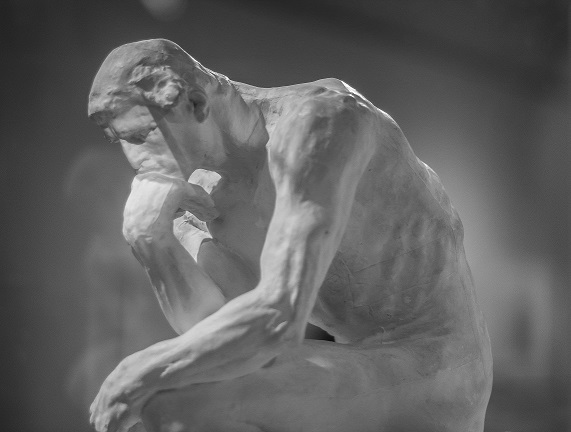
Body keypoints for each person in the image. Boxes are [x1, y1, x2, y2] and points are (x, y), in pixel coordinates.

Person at [87, 39, 492, 432]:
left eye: (141, 136)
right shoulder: (203, 191)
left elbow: (276, 320)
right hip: (357, 355)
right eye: (121, 141)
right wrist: (150, 238)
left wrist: (137, 373)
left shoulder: (321, 123)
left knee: (180, 410)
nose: (137, 162)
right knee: (172, 403)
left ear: (195, 103)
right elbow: (216, 330)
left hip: (439, 363)